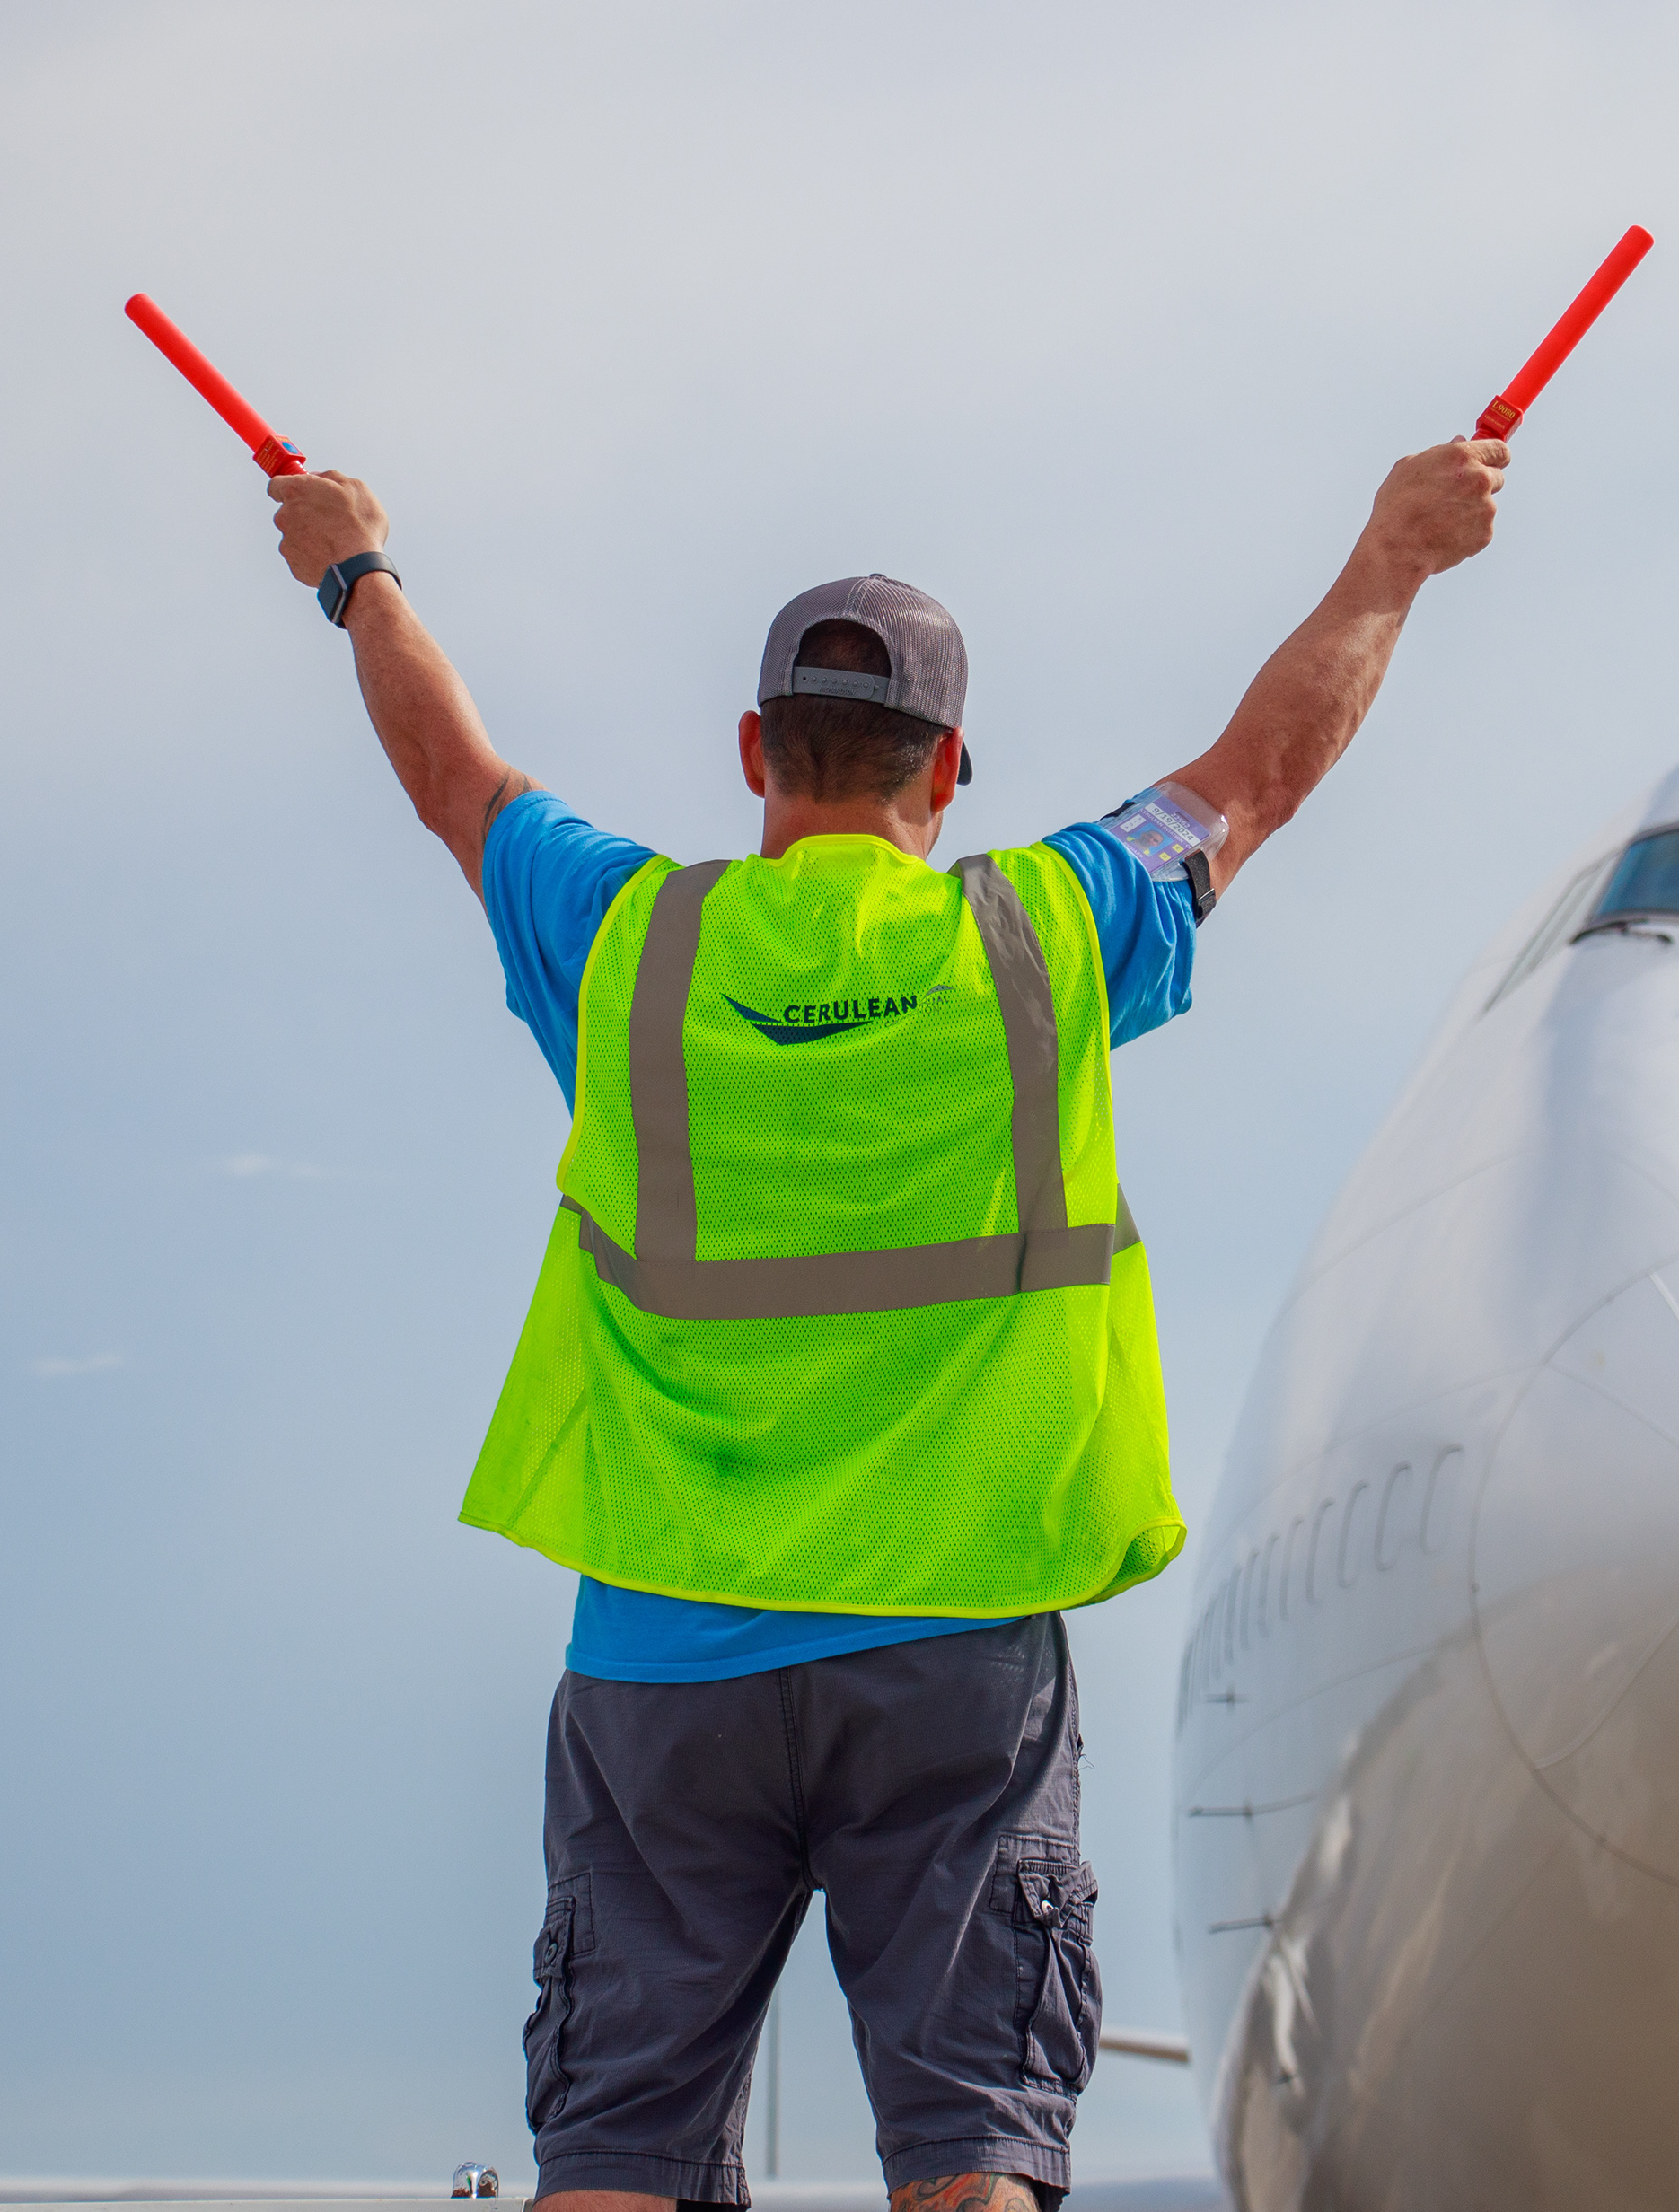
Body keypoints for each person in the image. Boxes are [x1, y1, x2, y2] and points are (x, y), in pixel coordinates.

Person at [261, 428, 1507, 2212]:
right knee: (972, 2145)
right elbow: (1258, 778)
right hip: (954, 1654)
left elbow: (452, 775)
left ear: (758, 751)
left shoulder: (629, 941)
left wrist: (354, 570)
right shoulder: (1050, 931)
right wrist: (1395, 552)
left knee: (610, 2146)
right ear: (951, 769)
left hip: (666, 1649)